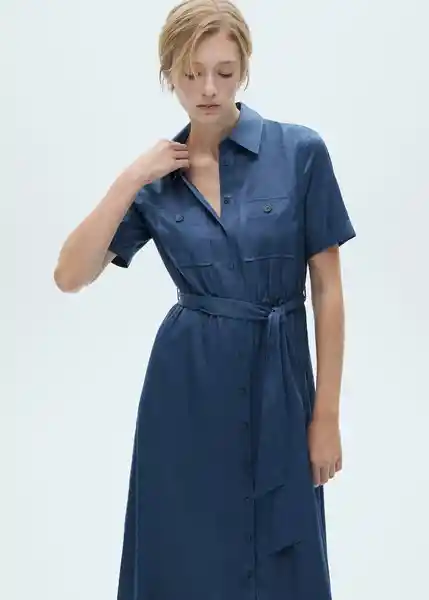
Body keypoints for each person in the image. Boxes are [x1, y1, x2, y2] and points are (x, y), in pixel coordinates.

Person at [54, 0, 356, 598]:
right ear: (169, 74)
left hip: (280, 383)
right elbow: (70, 274)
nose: (209, 89)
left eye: (224, 71)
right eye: (192, 73)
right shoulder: (155, 182)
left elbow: (328, 289)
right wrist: (128, 180)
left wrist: (326, 415)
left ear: (245, 67)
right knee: (185, 546)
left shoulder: (300, 153)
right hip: (185, 390)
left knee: (284, 550)